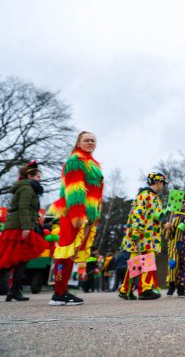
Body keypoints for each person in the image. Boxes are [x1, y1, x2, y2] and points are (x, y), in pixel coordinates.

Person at [48, 131, 104, 306]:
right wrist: (78, 214)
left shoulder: (92, 163)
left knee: (71, 254)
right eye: (86, 140)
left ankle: (62, 291)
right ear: (78, 143)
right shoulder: (76, 161)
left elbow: (96, 193)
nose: (90, 142)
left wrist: (94, 215)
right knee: (65, 253)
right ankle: (58, 293)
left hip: (87, 214)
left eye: (93, 140)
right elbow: (74, 189)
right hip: (75, 214)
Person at [0, 161, 49, 302]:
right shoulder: (27, 188)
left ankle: (15, 290)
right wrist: (26, 227)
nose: (40, 179)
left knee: (21, 260)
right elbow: (23, 208)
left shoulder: (29, 188)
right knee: (12, 260)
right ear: (30, 176)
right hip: (18, 227)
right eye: (38, 176)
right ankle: (15, 290)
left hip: (21, 225)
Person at [118, 172, 167, 301]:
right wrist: (136, 231)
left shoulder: (155, 197)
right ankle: (129, 290)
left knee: (147, 262)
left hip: (150, 237)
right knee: (136, 263)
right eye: (163, 183)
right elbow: (137, 214)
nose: (163, 186)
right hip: (141, 235)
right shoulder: (144, 195)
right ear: (158, 182)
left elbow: (154, 216)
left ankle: (144, 289)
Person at [164, 191, 185, 298]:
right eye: (182, 202)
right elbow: (168, 235)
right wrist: (168, 227)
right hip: (174, 245)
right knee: (173, 265)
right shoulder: (174, 215)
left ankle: (181, 288)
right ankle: (171, 285)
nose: (184, 204)